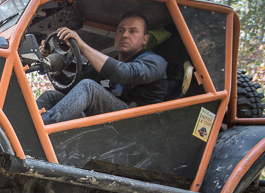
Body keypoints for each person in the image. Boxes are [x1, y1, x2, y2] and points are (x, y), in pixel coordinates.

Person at [36, 12, 167, 125]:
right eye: (121, 30)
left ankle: (40, 127)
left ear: (145, 39)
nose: (125, 35)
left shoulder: (154, 61)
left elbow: (124, 74)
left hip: (138, 125)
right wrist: (52, 64)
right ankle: (25, 128)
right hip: (107, 123)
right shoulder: (105, 66)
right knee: (51, 96)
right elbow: (72, 89)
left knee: (89, 87)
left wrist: (82, 46)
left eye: (133, 31)